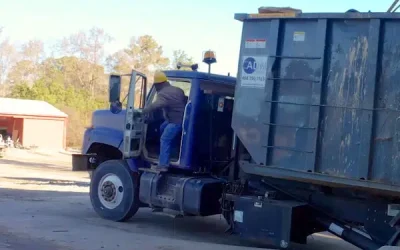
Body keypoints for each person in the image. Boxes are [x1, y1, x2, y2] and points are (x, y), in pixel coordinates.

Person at [142, 71, 186, 172]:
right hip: (180, 119)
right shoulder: (178, 90)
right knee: (162, 127)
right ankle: (168, 151)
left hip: (175, 122)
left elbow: (156, 105)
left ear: (158, 84)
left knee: (164, 139)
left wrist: (143, 111)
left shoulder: (163, 94)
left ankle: (163, 165)